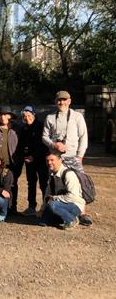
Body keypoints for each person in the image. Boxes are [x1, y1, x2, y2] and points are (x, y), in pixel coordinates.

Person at [42, 90, 90, 225]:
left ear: (69, 101)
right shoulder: (50, 117)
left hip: (73, 157)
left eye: (64, 100)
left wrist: (80, 155)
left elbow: (83, 137)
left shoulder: (77, 116)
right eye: (59, 100)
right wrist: (53, 144)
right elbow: (44, 136)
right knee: (52, 184)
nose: (61, 102)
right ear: (55, 101)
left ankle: (82, 213)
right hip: (55, 158)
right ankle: (49, 209)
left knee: (80, 184)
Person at [15, 106, 49, 217]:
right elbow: (22, 144)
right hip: (29, 161)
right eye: (25, 116)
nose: (27, 118)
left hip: (41, 160)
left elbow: (43, 145)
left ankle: (46, 207)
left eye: (29, 115)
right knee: (31, 183)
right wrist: (24, 156)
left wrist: (34, 156)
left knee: (44, 183)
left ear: (34, 115)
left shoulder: (41, 126)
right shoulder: (24, 128)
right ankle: (31, 206)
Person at [39, 151, 85, 229]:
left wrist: (54, 198)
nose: (49, 163)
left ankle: (72, 219)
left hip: (74, 205)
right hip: (60, 204)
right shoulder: (51, 174)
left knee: (53, 205)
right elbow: (47, 193)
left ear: (60, 160)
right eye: (47, 160)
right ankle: (63, 218)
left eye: (52, 160)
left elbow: (73, 197)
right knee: (42, 221)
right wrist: (42, 209)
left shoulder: (69, 174)